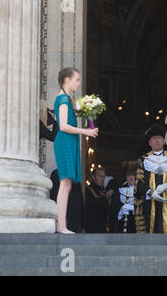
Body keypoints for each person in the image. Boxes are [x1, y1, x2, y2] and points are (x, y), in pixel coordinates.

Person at [53, 67, 98, 234]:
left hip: (68, 141)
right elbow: (63, 126)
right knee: (65, 184)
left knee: (67, 185)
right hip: (65, 141)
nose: (79, 83)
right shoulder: (64, 99)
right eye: (77, 79)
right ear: (67, 80)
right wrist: (86, 131)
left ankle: (62, 225)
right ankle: (62, 226)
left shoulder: (65, 99)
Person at [111, 161, 138, 233]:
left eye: (133, 175)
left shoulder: (141, 190)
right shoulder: (120, 190)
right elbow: (113, 208)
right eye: (129, 175)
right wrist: (120, 211)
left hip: (138, 226)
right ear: (126, 176)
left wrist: (134, 209)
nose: (131, 177)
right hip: (122, 225)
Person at [86, 167, 112, 233]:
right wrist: (105, 197)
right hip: (93, 228)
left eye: (103, 177)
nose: (102, 179)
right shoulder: (89, 190)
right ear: (93, 177)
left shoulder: (103, 191)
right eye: (100, 176)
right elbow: (91, 207)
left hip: (103, 228)